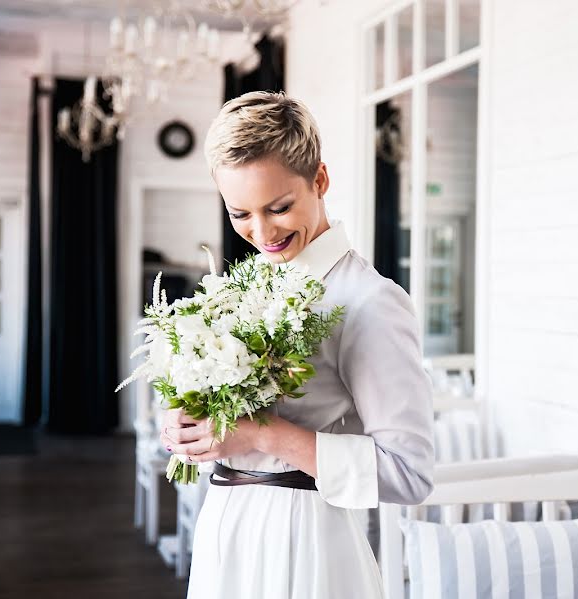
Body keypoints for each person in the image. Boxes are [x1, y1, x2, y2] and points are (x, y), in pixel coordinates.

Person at [160, 91, 435, 598]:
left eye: (280, 207)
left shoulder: (369, 301)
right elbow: (230, 419)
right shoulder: (246, 285)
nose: (262, 232)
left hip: (302, 541)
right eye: (239, 213)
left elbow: (409, 474)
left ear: (321, 180)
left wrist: (264, 435)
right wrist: (192, 423)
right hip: (226, 527)